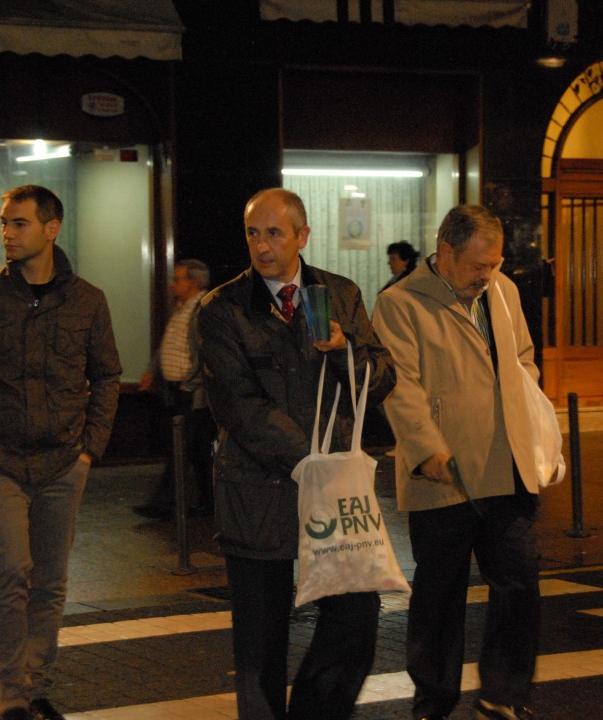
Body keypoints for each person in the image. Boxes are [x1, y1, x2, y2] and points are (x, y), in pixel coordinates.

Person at [0, 185, 122, 720]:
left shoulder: (88, 300)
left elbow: (107, 375)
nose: (7, 233)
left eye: (19, 223)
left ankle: (36, 684)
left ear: (51, 229)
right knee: (10, 570)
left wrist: (90, 449)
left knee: (50, 580)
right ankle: (11, 692)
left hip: (64, 460)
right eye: (4, 223)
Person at [196, 188, 396, 719]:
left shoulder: (339, 294)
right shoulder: (222, 308)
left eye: (274, 233)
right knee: (260, 643)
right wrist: (310, 462)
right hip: (258, 490)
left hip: (333, 495)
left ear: (302, 236)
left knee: (356, 616)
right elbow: (239, 406)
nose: (262, 246)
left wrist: (345, 351)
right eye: (252, 234)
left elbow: (381, 378)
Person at [371, 205, 551, 720]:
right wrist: (427, 448)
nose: (487, 275)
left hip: (508, 464)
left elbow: (524, 359)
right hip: (443, 473)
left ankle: (504, 693)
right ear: (445, 252)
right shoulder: (400, 302)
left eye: (494, 264)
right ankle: (434, 701)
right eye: (478, 265)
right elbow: (400, 385)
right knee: (439, 595)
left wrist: (529, 416)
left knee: (519, 584)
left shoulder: (503, 292)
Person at [133, 259, 217, 519]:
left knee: (180, 446)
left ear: (194, 282)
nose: (172, 284)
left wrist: (191, 380)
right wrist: (154, 370)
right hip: (178, 389)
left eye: (178, 279)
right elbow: (169, 344)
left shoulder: (203, 308)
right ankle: (209, 502)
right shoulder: (181, 308)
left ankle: (165, 502)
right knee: (197, 450)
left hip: (191, 392)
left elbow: (205, 350)